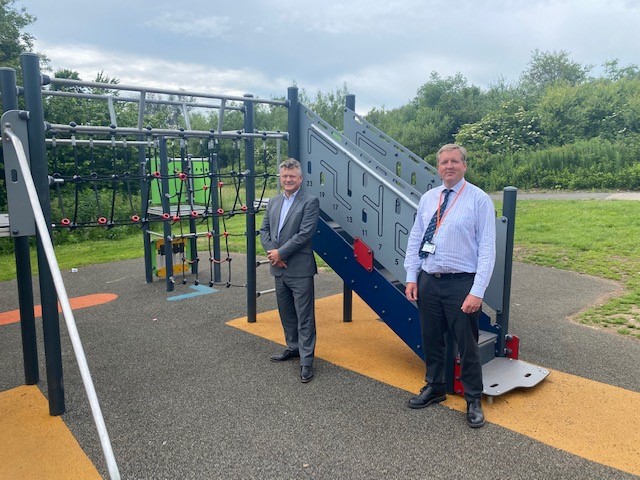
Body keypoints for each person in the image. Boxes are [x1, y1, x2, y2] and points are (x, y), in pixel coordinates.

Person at [403, 143, 496, 428]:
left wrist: (477, 291)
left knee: (467, 344)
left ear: (464, 165)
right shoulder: (429, 198)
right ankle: (435, 387)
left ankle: (473, 398)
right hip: (430, 280)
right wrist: (411, 275)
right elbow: (416, 237)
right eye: (444, 162)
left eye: (455, 161)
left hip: (461, 283)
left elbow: (488, 249)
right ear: (438, 166)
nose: (449, 166)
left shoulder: (479, 200)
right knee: (431, 338)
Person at [260, 158, 320, 383]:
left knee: (305, 316)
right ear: (280, 177)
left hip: (300, 269)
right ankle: (293, 347)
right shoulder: (274, 202)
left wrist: (280, 254)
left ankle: (306, 360)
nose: (288, 179)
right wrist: (273, 253)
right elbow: (264, 230)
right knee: (286, 313)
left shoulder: (310, 201)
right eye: (284, 176)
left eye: (292, 176)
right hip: (279, 268)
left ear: (300, 179)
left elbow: (304, 234)